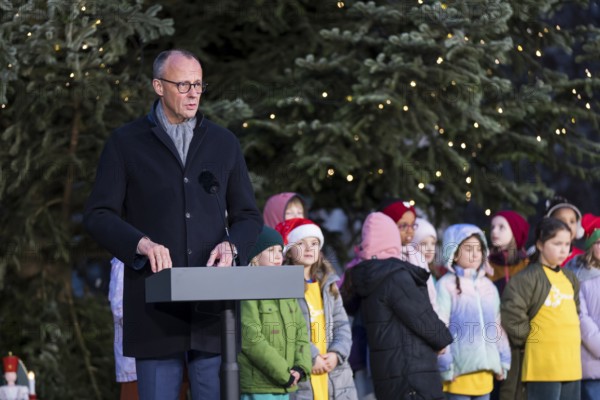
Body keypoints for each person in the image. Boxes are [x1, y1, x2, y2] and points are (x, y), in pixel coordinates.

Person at [84, 49, 262, 400]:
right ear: (158, 86)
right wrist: (141, 244)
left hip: (212, 308)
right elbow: (98, 215)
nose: (194, 92)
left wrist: (232, 245)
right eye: (183, 85)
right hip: (155, 307)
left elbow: (247, 216)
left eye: (198, 84)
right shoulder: (125, 143)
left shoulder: (223, 143)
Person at [349, 212, 452, 399]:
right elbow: (420, 314)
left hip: (388, 375)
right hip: (412, 373)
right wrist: (441, 338)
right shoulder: (394, 276)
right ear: (391, 239)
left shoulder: (367, 276)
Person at [275, 218, 358, 400]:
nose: (309, 248)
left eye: (314, 243)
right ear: (288, 252)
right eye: (301, 243)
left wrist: (337, 354)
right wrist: (312, 357)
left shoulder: (327, 284)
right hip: (305, 374)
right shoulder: (283, 287)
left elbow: (342, 324)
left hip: (336, 376)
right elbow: (288, 330)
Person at [501, 218, 581, 400]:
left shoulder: (570, 278)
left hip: (571, 365)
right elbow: (512, 315)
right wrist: (531, 340)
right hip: (543, 367)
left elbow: (575, 312)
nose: (564, 249)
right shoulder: (526, 279)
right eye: (557, 243)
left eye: (567, 244)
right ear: (540, 244)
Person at [436, 224, 511, 400]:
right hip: (457, 375)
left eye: (479, 249)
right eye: (468, 249)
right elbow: (440, 327)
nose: (476, 254)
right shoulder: (445, 285)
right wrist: (445, 366)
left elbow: (497, 326)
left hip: (484, 374)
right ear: (454, 253)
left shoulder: (488, 286)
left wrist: (503, 360)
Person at [239, 226, 312, 399]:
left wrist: (300, 367)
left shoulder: (285, 288)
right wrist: (283, 373)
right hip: (259, 386)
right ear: (255, 257)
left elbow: (301, 330)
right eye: (271, 250)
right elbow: (251, 338)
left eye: (280, 250)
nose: (278, 255)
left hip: (285, 384)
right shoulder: (246, 289)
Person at [565, 213, 600, 400]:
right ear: (590, 246)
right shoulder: (579, 275)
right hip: (592, 365)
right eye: (599, 242)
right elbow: (582, 319)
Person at [381, 200, 437, 311]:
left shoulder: (418, 258)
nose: (410, 231)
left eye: (412, 225)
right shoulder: (383, 257)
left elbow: (431, 297)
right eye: (403, 226)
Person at [488, 210, 530, 295]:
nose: (494, 231)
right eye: (492, 227)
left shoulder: (526, 264)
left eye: (501, 227)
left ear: (515, 232)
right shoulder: (487, 262)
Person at [544, 195, 585, 266]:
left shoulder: (582, 257)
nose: (568, 226)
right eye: (562, 221)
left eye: (572, 221)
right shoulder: (541, 254)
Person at [412, 217, 447, 281]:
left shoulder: (434, 274)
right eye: (423, 244)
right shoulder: (410, 276)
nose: (430, 249)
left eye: (433, 243)